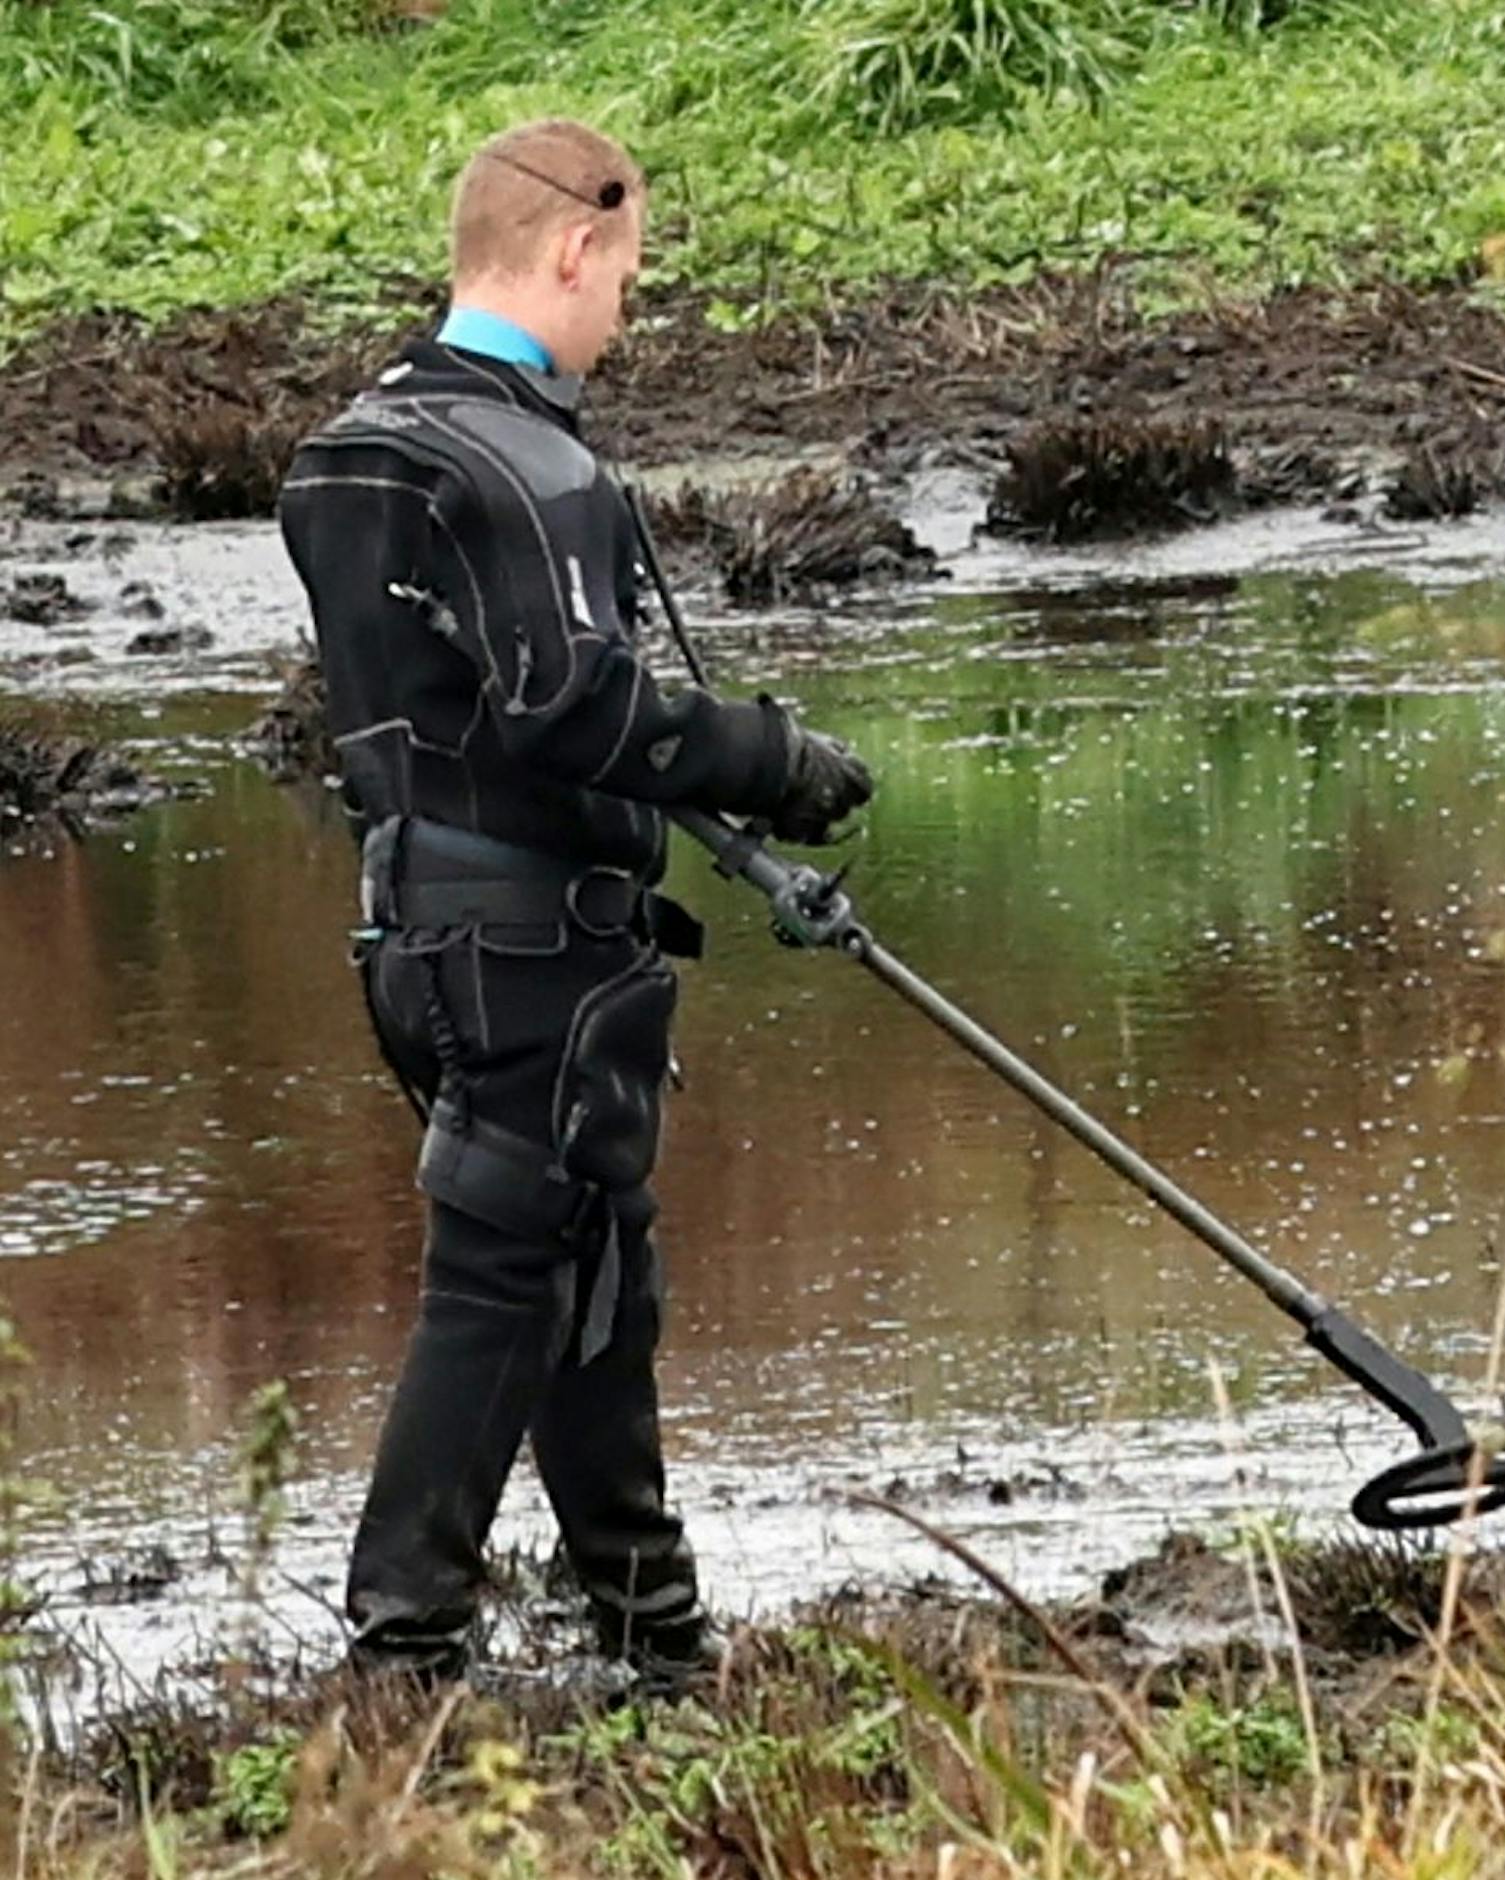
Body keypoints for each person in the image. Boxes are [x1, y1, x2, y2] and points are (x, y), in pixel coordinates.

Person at [277, 117, 872, 1689]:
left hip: (415, 930)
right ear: (573, 248)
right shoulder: (530, 467)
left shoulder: (347, 450)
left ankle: (652, 1635)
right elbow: (573, 711)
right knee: (501, 1284)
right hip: (527, 947)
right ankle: (401, 1657)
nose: (626, 312)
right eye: (629, 276)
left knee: (586, 1263)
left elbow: (457, 710)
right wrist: (772, 757)